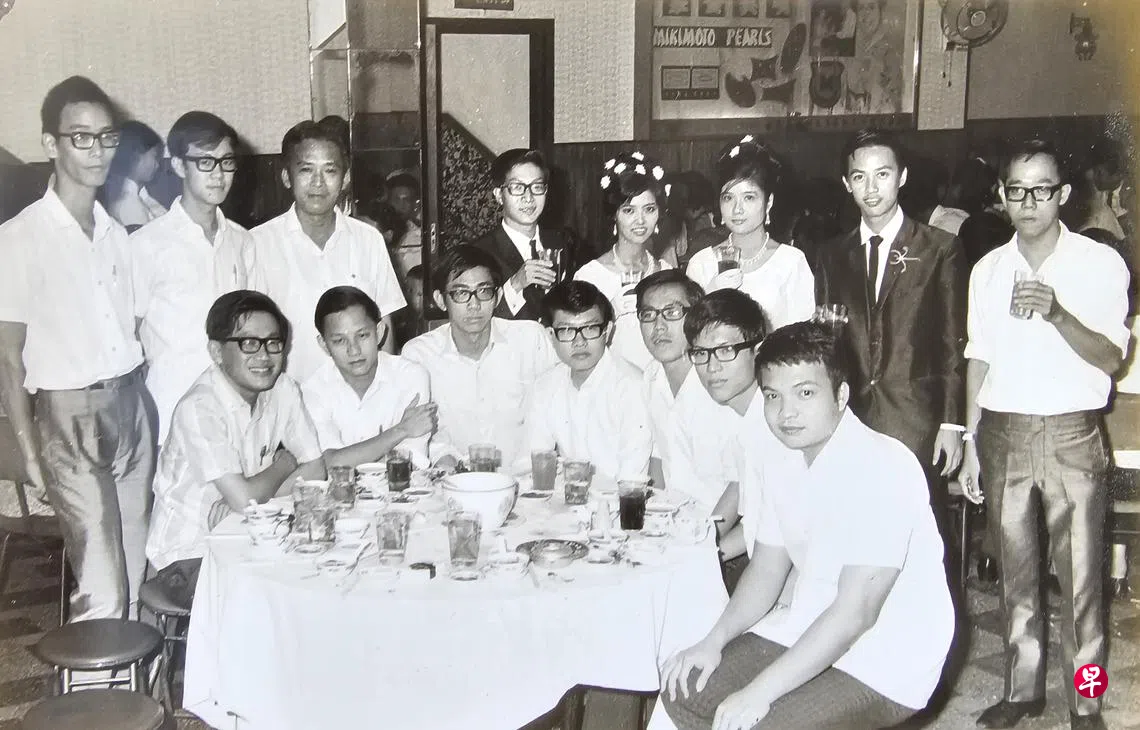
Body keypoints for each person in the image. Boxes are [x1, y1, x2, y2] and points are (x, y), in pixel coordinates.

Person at [660, 320, 954, 730]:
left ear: (841, 395)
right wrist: (714, 640)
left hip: (885, 653)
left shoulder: (884, 466)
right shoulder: (780, 455)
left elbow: (857, 613)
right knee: (684, 686)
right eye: (773, 396)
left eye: (805, 393)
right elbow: (767, 569)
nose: (787, 413)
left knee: (758, 723)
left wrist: (759, 692)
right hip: (806, 623)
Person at [959, 140, 1128, 730]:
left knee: (1083, 583)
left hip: (1072, 434)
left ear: (1064, 194)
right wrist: (971, 442)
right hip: (1003, 432)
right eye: (1017, 190)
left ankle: (1088, 701)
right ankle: (1021, 691)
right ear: (1002, 196)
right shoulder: (987, 269)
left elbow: (1111, 358)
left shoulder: (1098, 263)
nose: (1029, 202)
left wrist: (1057, 314)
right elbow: (977, 359)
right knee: (1015, 576)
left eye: (1042, 190)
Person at [0, 77, 155, 622]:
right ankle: (100, 676)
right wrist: (30, 453)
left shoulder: (117, 236)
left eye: (107, 137)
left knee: (136, 569)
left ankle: (137, 677)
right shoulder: (19, 238)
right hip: (67, 418)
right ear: (51, 144)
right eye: (80, 137)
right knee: (102, 584)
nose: (97, 151)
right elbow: (9, 358)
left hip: (132, 406)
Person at [814, 128, 968, 524]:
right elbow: (827, 340)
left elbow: (952, 343)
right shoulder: (832, 255)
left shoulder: (939, 248)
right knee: (856, 525)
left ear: (902, 176)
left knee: (920, 529)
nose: (871, 188)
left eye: (882, 174)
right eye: (860, 177)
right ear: (846, 183)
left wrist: (952, 423)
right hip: (851, 416)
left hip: (916, 419)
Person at [146, 291, 325, 609]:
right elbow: (246, 498)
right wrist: (284, 465)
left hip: (255, 536)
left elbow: (315, 472)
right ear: (217, 351)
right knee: (279, 600)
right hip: (190, 556)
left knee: (323, 576)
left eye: (273, 343)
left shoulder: (283, 389)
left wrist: (250, 502)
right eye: (249, 343)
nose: (264, 356)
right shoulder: (200, 407)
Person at [131, 110, 257, 443]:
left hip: (234, 414)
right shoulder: (145, 245)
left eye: (226, 162)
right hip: (171, 413)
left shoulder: (242, 241)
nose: (218, 174)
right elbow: (127, 334)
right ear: (177, 165)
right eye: (205, 162)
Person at [251, 118, 405, 381]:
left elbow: (385, 325)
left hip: (359, 393)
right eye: (306, 170)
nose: (318, 183)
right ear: (287, 177)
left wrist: (385, 390)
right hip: (290, 394)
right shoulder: (257, 243)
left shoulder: (368, 240)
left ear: (345, 178)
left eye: (330, 171)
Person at [401, 245, 557, 469]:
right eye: (461, 293)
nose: (474, 305)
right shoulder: (419, 354)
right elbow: (420, 434)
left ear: (498, 296)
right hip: (453, 478)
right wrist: (446, 461)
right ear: (440, 300)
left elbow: (556, 412)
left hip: (525, 478)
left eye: (484, 291)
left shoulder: (531, 339)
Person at [683, 289, 775, 590]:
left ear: (757, 350)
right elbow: (740, 484)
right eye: (701, 353)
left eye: (725, 351)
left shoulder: (774, 421)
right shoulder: (744, 413)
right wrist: (701, 536)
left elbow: (766, 528)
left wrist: (702, 557)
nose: (711, 368)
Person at [685, 136, 815, 331]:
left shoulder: (791, 262)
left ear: (769, 202)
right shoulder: (701, 263)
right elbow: (690, 335)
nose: (737, 209)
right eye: (728, 198)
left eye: (749, 197)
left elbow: (803, 337)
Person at [527, 281, 652, 483]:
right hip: (566, 499)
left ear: (607, 330)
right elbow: (535, 459)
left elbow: (631, 480)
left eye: (591, 328)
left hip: (617, 499)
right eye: (566, 330)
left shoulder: (631, 386)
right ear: (551, 335)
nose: (580, 342)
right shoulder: (545, 385)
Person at [638, 270, 741, 514]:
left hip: (718, 525)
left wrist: (708, 533)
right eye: (648, 315)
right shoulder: (651, 376)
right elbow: (657, 458)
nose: (659, 327)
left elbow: (740, 482)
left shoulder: (719, 380)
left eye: (672, 312)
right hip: (672, 521)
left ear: (696, 317)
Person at [301, 286, 436, 470]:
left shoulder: (411, 375)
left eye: (362, 335)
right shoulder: (313, 390)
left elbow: (412, 460)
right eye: (339, 341)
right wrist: (401, 430)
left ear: (379, 332)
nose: (354, 350)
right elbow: (329, 464)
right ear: (324, 345)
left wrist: (349, 460)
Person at [576, 151, 674, 371]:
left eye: (649, 209)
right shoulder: (590, 276)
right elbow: (580, 350)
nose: (640, 220)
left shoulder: (665, 271)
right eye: (629, 210)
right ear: (614, 215)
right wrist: (610, 311)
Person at [473, 148, 579, 321]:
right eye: (517, 187)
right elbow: (477, 320)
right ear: (499, 195)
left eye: (537, 187)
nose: (529, 198)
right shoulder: (479, 253)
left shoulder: (562, 243)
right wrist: (515, 284)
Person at [100, 119, 167, 231]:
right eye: (155, 156)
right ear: (137, 156)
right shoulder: (127, 203)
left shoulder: (139, 196)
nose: (157, 164)